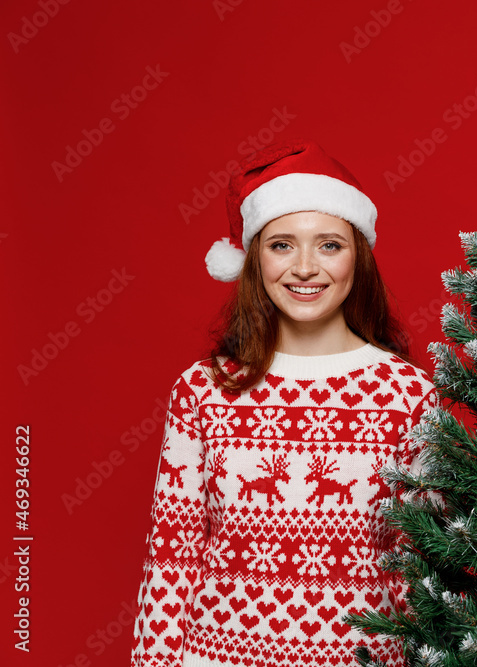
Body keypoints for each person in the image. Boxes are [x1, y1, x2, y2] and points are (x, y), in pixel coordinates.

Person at [130, 140, 436, 667]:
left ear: (358, 256)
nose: (305, 268)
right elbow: (172, 559)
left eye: (329, 245)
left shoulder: (408, 394)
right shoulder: (202, 391)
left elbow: (427, 567)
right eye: (281, 245)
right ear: (253, 258)